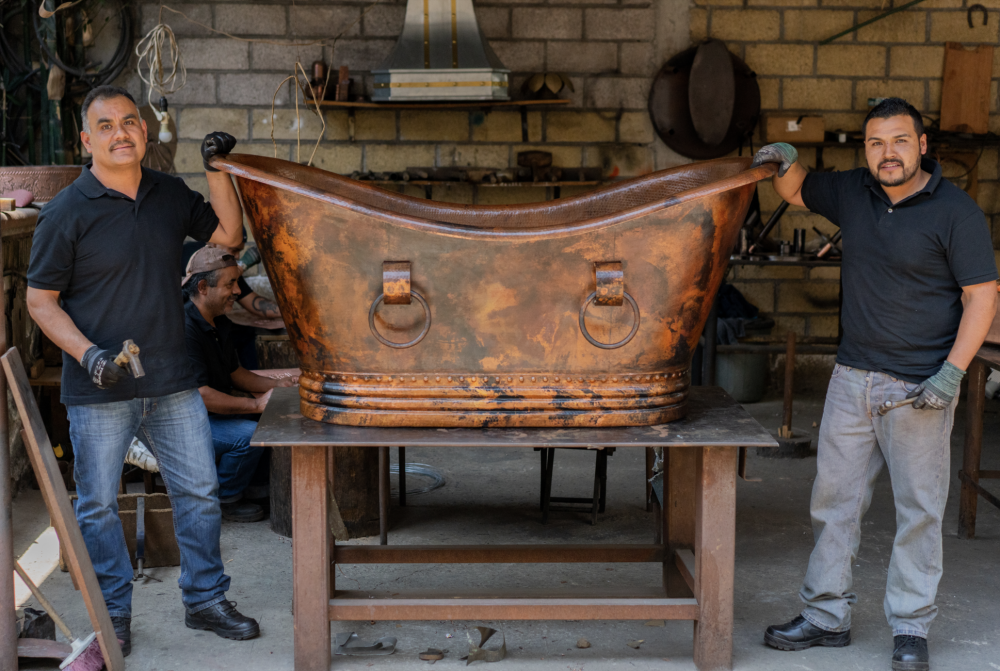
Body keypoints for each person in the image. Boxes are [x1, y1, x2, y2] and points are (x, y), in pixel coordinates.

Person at [751, 97, 998, 671]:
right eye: (876, 143)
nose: (888, 153)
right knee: (833, 502)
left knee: (918, 510)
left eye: (899, 141)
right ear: (866, 149)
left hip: (919, 388)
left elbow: (981, 297)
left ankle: (910, 626)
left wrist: (951, 374)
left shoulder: (956, 213)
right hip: (850, 380)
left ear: (922, 145)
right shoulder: (853, 192)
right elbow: (794, 189)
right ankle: (825, 614)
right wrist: (783, 156)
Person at [26, 85, 260, 655]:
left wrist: (217, 168)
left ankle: (205, 599)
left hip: (172, 380)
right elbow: (41, 301)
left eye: (129, 122)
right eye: (105, 126)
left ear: (144, 131)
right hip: (99, 387)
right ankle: (113, 616)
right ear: (87, 140)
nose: (120, 133)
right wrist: (90, 356)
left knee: (200, 492)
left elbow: (230, 239)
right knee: (100, 505)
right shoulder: (65, 213)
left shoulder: (168, 194)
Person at [181, 246, 297, 522]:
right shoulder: (184, 328)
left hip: (205, 415)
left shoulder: (218, 320)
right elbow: (202, 395)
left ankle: (255, 489)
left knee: (270, 419)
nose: (236, 291)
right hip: (183, 422)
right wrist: (256, 404)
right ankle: (225, 500)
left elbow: (234, 372)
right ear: (203, 287)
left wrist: (277, 386)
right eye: (230, 284)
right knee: (248, 436)